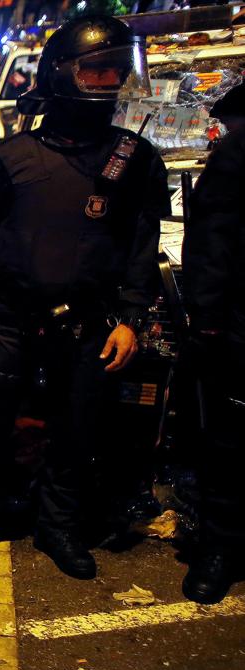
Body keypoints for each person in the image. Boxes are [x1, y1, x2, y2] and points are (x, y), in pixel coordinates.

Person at [0, 16, 168, 579]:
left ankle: (58, 527)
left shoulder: (136, 160)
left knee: (76, 430)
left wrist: (132, 320)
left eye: (115, 70)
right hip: (12, 319)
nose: (106, 80)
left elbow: (143, 246)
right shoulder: (13, 157)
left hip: (91, 325)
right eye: (94, 69)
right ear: (64, 73)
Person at [179, 86, 245, 603]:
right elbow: (212, 238)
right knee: (229, 442)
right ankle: (217, 548)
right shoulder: (237, 155)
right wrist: (209, 318)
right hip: (238, 319)